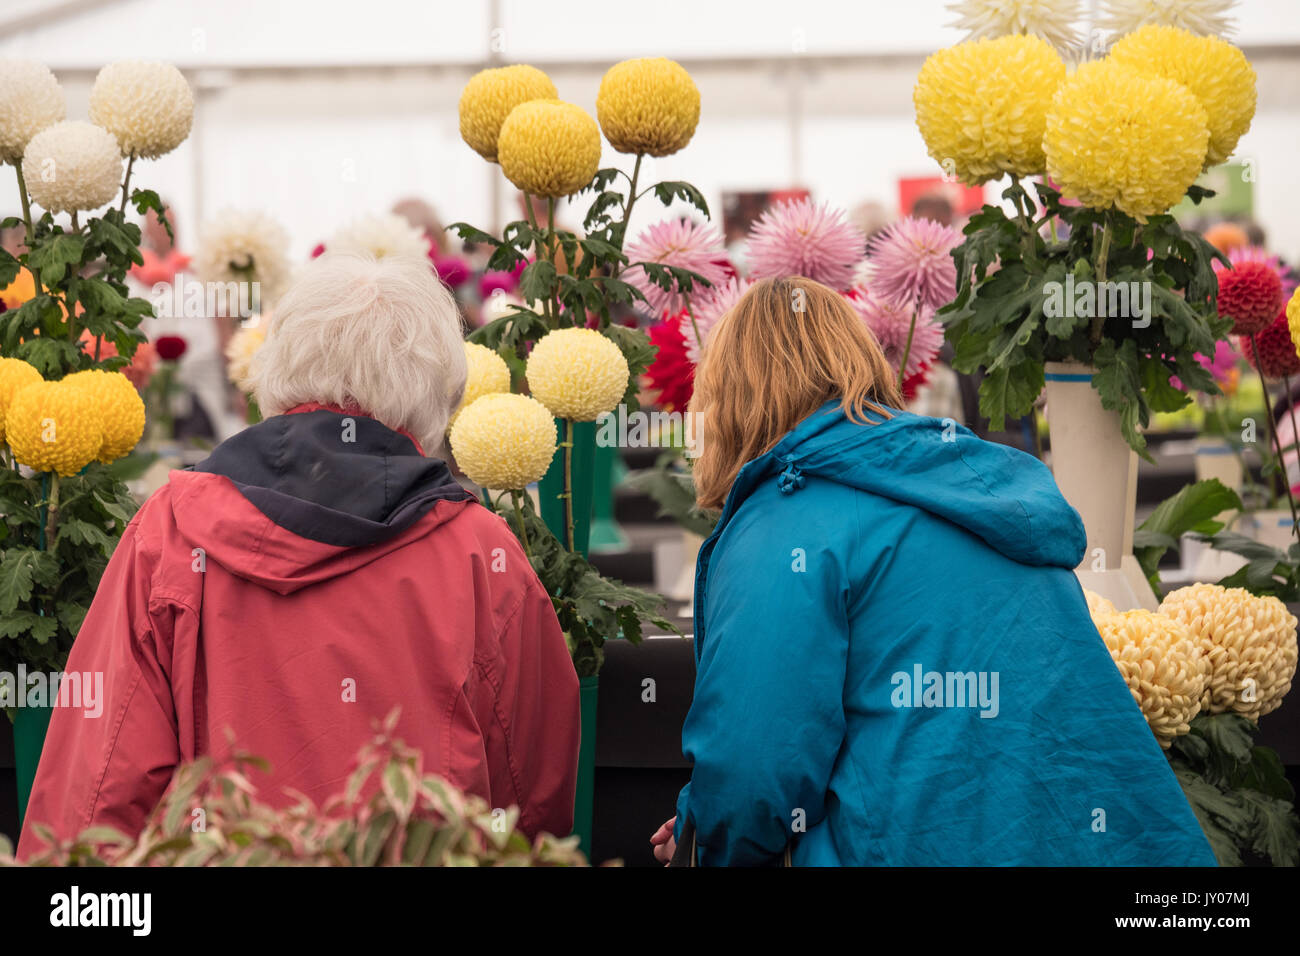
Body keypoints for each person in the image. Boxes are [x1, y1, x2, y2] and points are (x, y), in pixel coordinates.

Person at [19, 253, 580, 855]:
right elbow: (531, 803)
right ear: (437, 388)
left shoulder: (171, 531)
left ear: (276, 365)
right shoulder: (481, 553)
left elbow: (97, 793)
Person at [650, 277, 1215, 866]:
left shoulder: (785, 523)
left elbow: (755, 769)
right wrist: (705, 811)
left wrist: (704, 840)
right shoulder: (968, 484)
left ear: (727, 395)